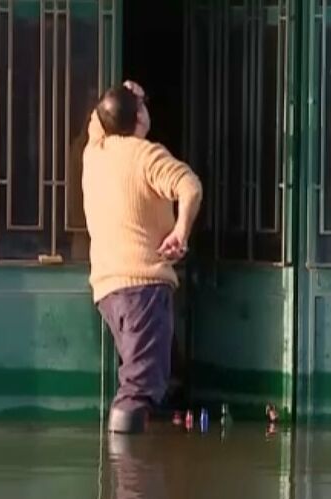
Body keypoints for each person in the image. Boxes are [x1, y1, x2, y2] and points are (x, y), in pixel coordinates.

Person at [82, 81, 202, 434]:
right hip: (142, 286)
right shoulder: (146, 155)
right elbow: (189, 185)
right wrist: (180, 231)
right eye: (142, 105)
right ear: (139, 117)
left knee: (148, 375)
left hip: (108, 290)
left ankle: (140, 471)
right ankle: (130, 481)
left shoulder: (95, 152)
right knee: (139, 387)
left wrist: (119, 94)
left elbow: (99, 120)